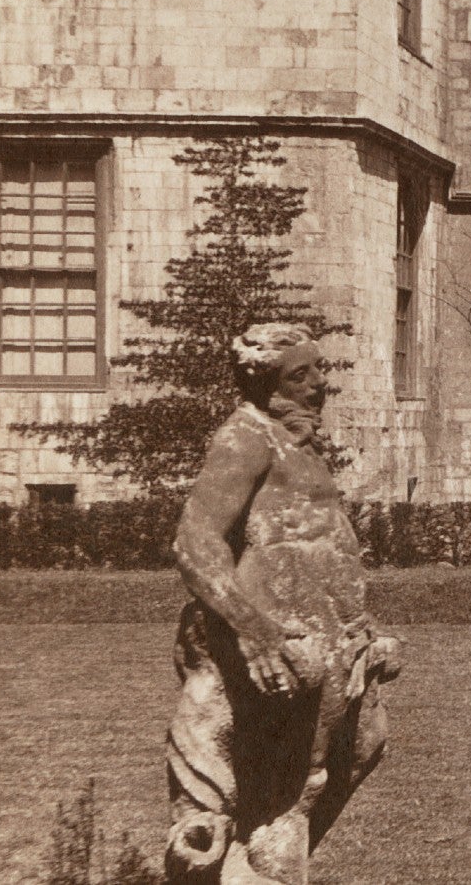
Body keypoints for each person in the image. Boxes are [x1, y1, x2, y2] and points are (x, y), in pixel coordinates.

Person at [165, 323, 401, 885]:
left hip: (337, 640)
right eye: (302, 374)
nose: (321, 384)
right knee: (289, 785)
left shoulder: (295, 440)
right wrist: (255, 633)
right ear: (266, 384)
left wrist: (363, 629)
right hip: (284, 646)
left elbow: (317, 535)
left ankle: (251, 862)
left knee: (363, 745)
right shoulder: (246, 437)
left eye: (320, 369)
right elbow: (195, 541)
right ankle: (242, 863)